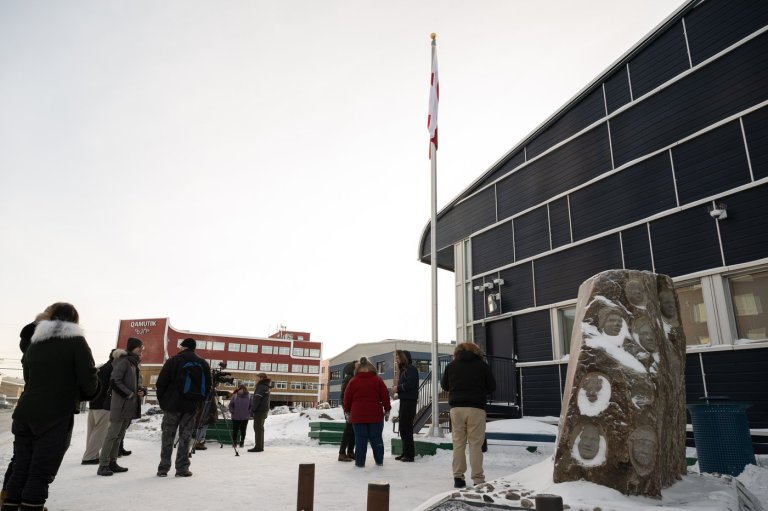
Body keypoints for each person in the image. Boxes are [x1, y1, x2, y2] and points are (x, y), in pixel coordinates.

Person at [5, 303, 99, 511]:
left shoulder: (35, 341)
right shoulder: (76, 341)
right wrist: (82, 394)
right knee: (41, 469)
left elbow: (28, 379)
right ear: (74, 320)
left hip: (25, 413)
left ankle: (10, 505)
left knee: (21, 465)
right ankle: (32, 506)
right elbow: (89, 380)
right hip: (56, 414)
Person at [440, 342, 496, 489]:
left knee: (458, 443)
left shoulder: (451, 366)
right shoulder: (482, 365)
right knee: (475, 445)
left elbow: (445, 385)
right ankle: (478, 479)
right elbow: (492, 386)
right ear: (476, 351)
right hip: (476, 408)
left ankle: (458, 478)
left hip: (457, 408)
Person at [155, 338, 211, 477]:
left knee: (168, 436)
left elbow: (161, 383)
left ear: (183, 347)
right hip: (190, 406)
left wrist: (163, 402)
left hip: (172, 405)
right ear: (194, 348)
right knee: (185, 437)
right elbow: (208, 386)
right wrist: (198, 402)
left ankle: (163, 468)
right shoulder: (202, 363)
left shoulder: (173, 361)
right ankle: (182, 468)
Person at [97, 338, 146, 476]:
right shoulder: (123, 361)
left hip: (129, 405)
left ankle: (112, 462)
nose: (142, 349)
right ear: (132, 348)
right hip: (121, 405)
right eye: (139, 347)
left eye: (142, 347)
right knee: (112, 435)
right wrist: (129, 394)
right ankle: (103, 465)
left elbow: (137, 382)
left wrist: (141, 390)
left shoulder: (134, 363)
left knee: (119, 435)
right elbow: (114, 381)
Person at [343, 357, 391, 468]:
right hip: (375, 415)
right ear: (371, 368)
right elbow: (385, 396)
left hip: (358, 416)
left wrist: (347, 412)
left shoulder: (353, 381)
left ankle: (360, 464)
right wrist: (387, 409)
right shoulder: (377, 380)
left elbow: (347, 398)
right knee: (377, 438)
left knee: (360, 440)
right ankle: (379, 462)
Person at [81, 349, 118, 465]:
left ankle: (91, 454)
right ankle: (90, 457)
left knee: (92, 431)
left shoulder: (102, 368)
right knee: (99, 432)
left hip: (93, 402)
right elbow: (112, 387)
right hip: (103, 404)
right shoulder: (112, 369)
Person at [393, 350, 419, 462]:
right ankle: (405, 452)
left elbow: (410, 384)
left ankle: (409, 455)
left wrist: (397, 388)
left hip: (410, 401)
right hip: (404, 400)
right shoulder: (404, 370)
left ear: (403, 358)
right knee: (403, 428)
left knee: (406, 427)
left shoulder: (411, 369)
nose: (396, 359)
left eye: (398, 357)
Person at [337, 361, 357, 462]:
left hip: (353, 407)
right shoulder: (348, 378)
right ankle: (342, 453)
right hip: (348, 408)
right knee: (348, 429)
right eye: (356, 364)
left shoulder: (354, 378)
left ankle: (350, 451)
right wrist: (346, 410)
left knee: (353, 430)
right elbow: (343, 395)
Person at [248, 373, 271, 452]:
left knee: (258, 428)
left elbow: (257, 399)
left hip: (259, 410)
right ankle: (260, 446)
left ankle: (258, 447)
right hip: (263, 410)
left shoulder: (261, 387)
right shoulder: (265, 386)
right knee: (260, 428)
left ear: (262, 378)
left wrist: (253, 409)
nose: (256, 379)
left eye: (258, 378)